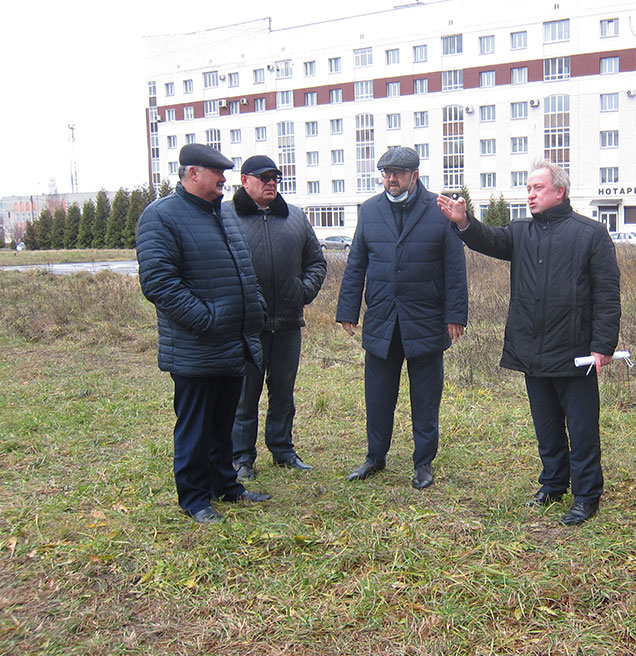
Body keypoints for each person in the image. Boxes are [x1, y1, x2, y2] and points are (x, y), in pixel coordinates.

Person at [436, 159, 621, 526]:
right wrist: (463, 221)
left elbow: (607, 293)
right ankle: (553, 483)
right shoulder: (521, 231)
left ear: (559, 191)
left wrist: (603, 346)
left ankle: (587, 495)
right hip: (532, 348)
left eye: (537, 188)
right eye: (528, 188)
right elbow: (489, 239)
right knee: (546, 425)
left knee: (582, 428)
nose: (530, 194)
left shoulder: (591, 234)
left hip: (575, 352)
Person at [137, 144, 271, 524]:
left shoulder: (223, 216)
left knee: (222, 423)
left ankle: (226, 486)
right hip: (197, 347)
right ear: (193, 173)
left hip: (233, 342)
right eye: (217, 174)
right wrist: (208, 321)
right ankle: (194, 498)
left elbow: (245, 272)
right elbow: (160, 284)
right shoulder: (161, 217)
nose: (224, 181)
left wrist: (254, 309)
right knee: (195, 426)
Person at [336, 147, 468, 490]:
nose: (391, 179)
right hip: (382, 320)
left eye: (398, 173)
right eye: (386, 173)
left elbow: (454, 267)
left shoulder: (440, 211)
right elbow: (356, 264)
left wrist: (456, 314)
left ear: (415, 175)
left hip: (425, 319)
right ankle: (374, 457)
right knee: (378, 396)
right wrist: (348, 310)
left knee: (425, 398)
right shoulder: (369, 211)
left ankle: (423, 462)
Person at [225, 155, 328, 481]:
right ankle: (241, 458)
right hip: (246, 327)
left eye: (275, 178)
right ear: (245, 181)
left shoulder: (295, 218)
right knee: (244, 396)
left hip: (287, 324)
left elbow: (317, 262)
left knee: (283, 393)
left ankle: (282, 450)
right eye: (263, 177)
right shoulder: (225, 218)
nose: (271, 182)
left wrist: (302, 292)